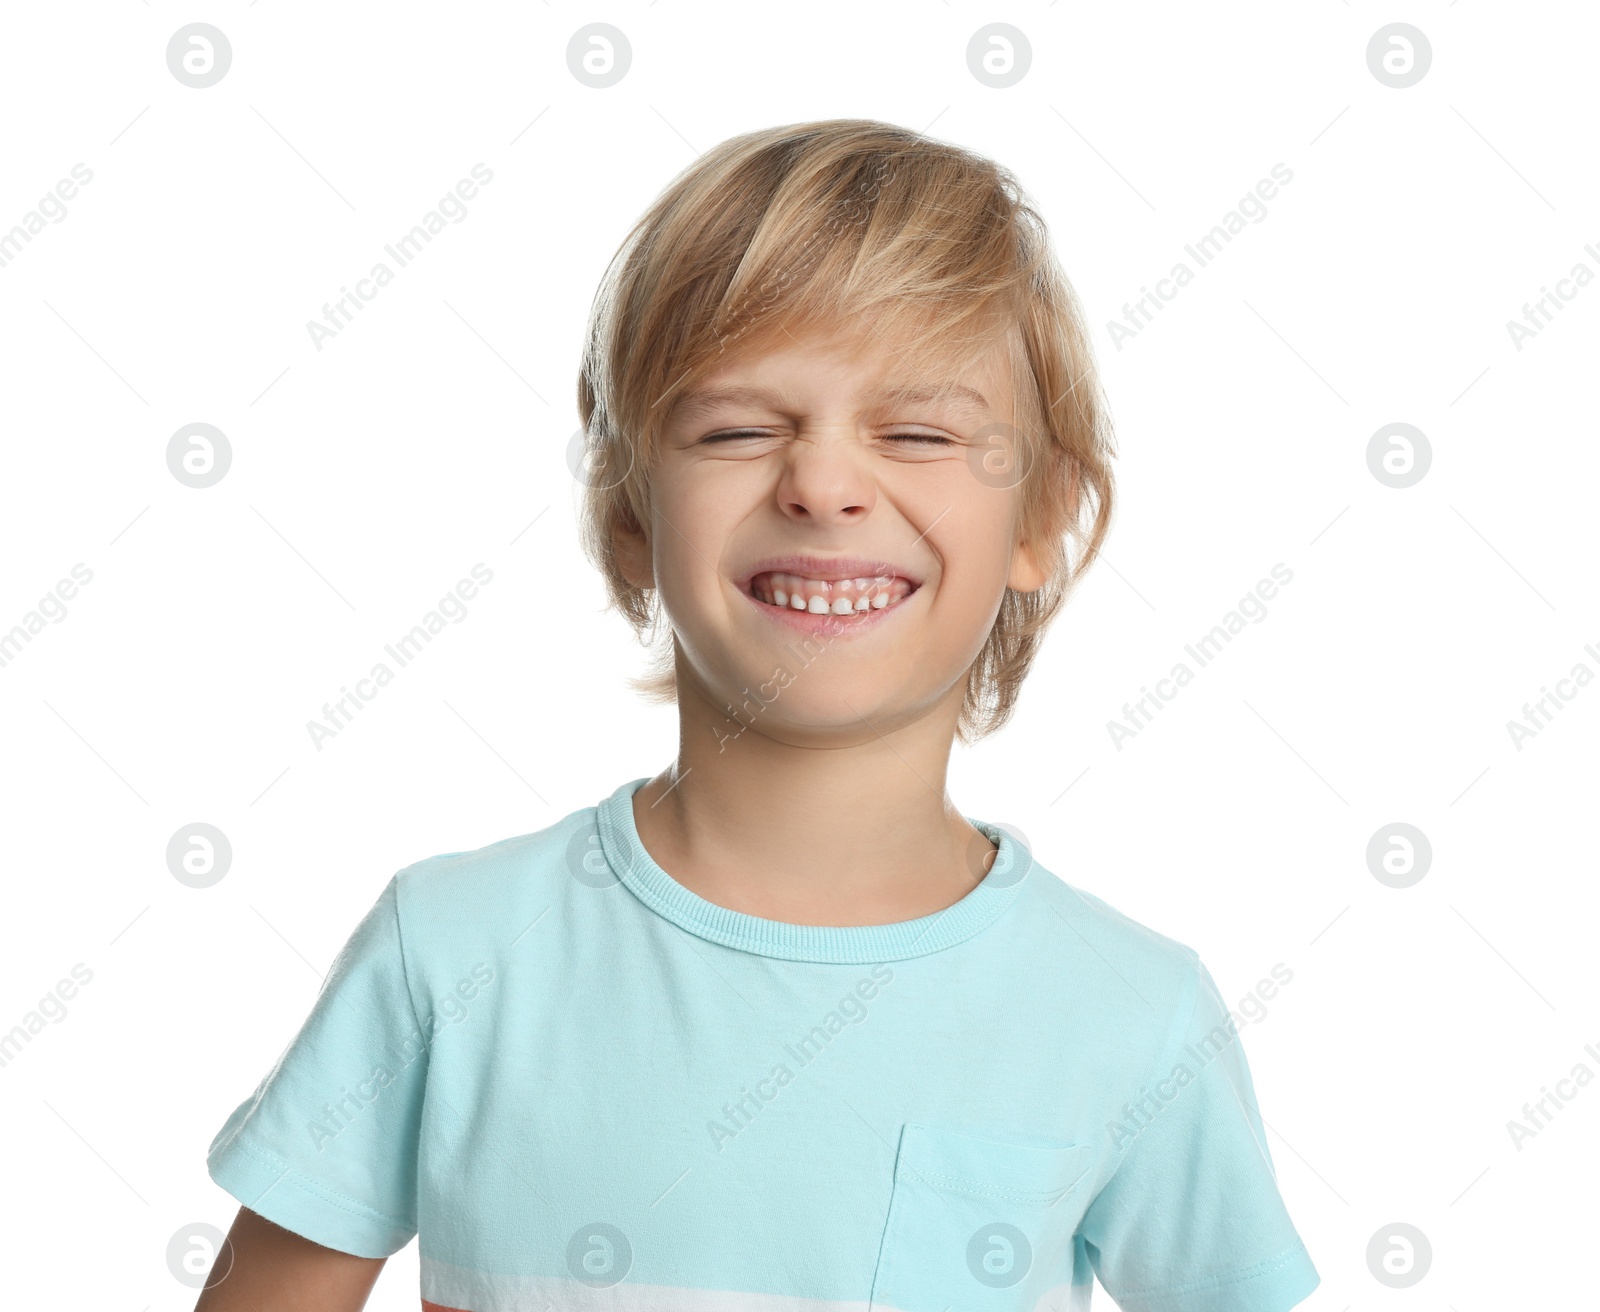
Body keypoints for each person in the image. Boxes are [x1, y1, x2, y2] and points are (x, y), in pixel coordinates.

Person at [198, 118, 1320, 1312]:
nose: (823, 484)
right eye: (738, 430)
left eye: (920, 432)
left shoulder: (1132, 1013)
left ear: (1041, 517)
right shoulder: (452, 949)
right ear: (629, 510)